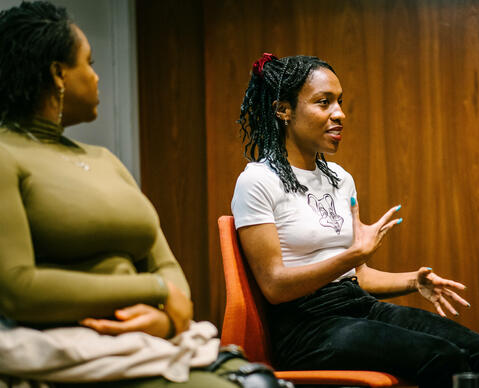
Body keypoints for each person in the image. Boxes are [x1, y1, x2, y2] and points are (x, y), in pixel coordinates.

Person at [0, 2, 285, 387]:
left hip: (152, 340)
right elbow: (19, 288)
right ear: (58, 74)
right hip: (73, 348)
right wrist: (154, 291)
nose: (97, 77)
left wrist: (168, 316)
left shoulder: (104, 159)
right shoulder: (6, 156)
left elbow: (162, 261)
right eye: (89, 62)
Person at [231, 53, 479, 388]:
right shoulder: (257, 181)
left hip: (355, 305)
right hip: (304, 327)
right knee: (443, 358)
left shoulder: (339, 178)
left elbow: (356, 276)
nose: (340, 113)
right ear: (283, 110)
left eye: (340, 101)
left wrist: (412, 282)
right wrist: (353, 256)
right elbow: (274, 286)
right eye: (324, 102)